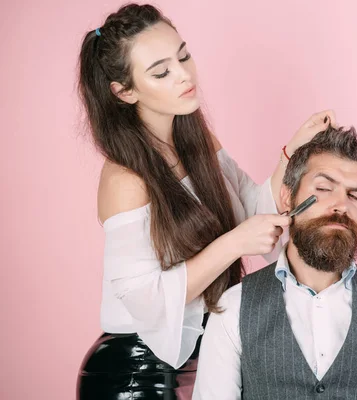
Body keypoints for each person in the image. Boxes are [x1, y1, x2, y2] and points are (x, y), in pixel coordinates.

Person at [75, 3, 336, 399]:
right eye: (161, 71)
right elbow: (150, 303)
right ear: (123, 91)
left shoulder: (198, 141)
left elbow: (251, 211)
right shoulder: (125, 179)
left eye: (184, 56)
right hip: (133, 371)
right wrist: (234, 244)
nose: (184, 75)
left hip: (203, 354)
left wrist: (292, 152)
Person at [193, 126, 357, 400]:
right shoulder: (233, 308)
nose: (340, 205)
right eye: (323, 188)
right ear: (288, 197)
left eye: (355, 196)